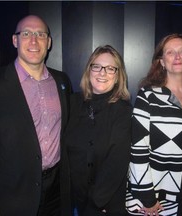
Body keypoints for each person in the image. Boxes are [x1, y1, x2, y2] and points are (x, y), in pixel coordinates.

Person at [0, 15, 72, 216]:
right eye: (26, 33)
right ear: (15, 40)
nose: (34, 40)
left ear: (48, 42)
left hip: (57, 193)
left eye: (40, 34)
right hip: (12, 197)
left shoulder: (61, 81)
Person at [126, 33, 182, 216]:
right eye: (170, 52)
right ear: (162, 61)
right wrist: (147, 197)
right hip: (156, 196)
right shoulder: (148, 96)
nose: (177, 57)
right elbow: (138, 150)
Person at [63, 45, 132, 216]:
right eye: (97, 66)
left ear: (118, 77)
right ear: (89, 71)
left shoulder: (123, 111)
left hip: (106, 205)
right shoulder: (71, 103)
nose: (102, 73)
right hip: (73, 201)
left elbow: (117, 163)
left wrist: (95, 202)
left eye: (110, 69)